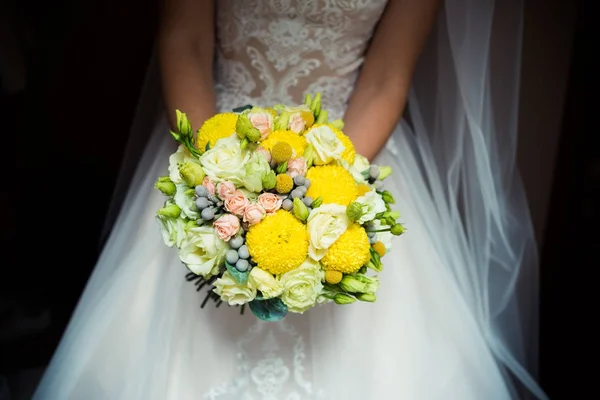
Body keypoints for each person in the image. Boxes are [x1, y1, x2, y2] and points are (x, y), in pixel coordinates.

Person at [34, 0, 549, 399]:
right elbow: (183, 38)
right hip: (215, 142)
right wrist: (219, 180)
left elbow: (388, 77)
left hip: (349, 150)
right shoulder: (214, 168)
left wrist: (329, 192)